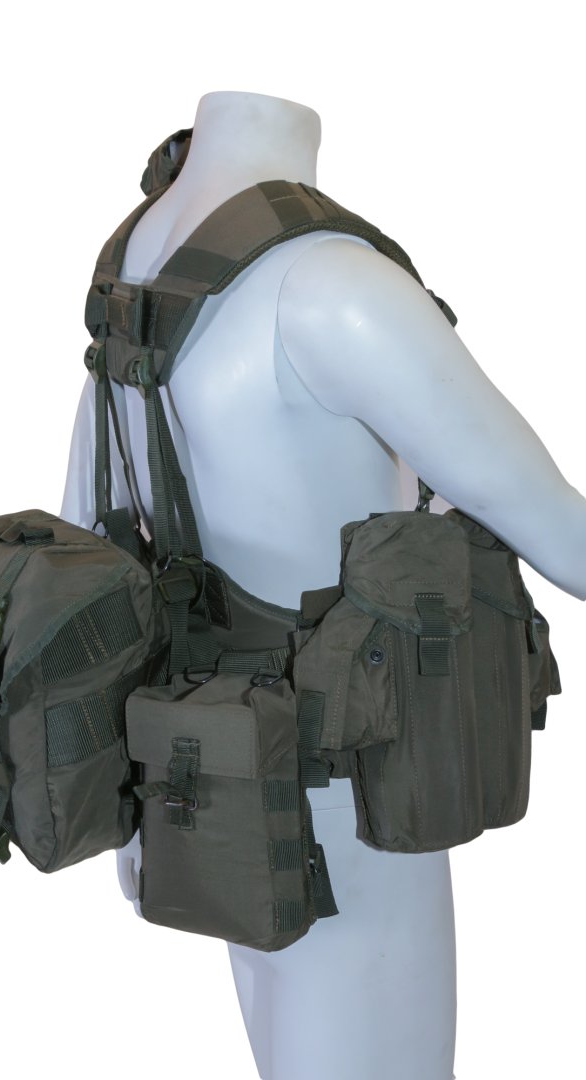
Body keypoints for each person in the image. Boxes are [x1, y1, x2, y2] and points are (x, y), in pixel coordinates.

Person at [60, 91, 586, 1080]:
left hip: (204, 783)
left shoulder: (134, 271)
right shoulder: (331, 286)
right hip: (348, 807)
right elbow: (566, 537)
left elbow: (90, 523)